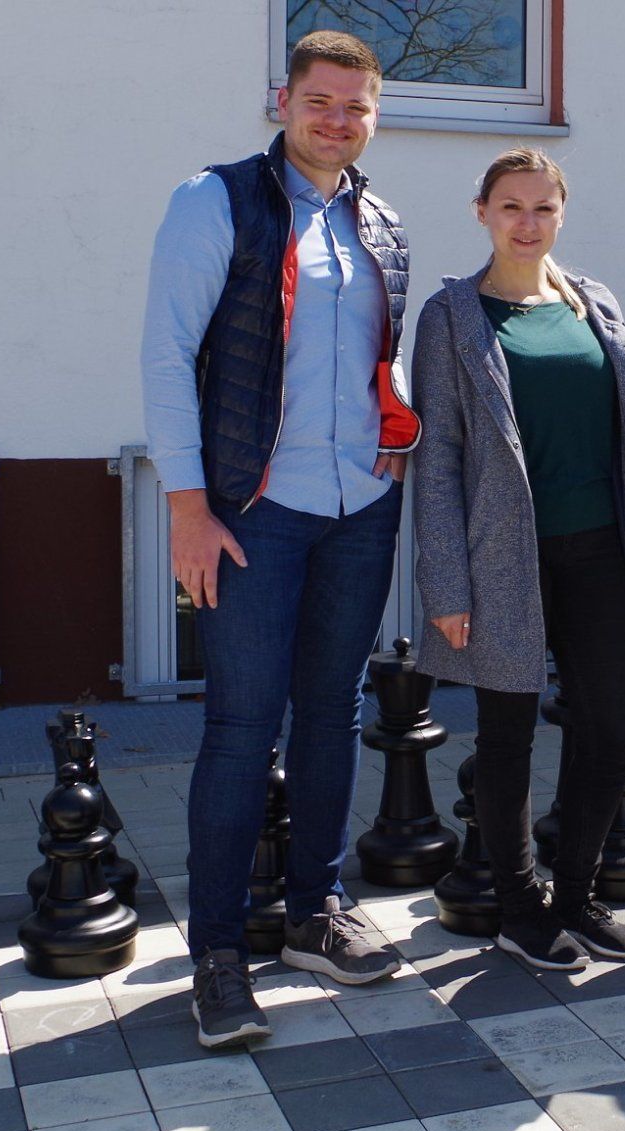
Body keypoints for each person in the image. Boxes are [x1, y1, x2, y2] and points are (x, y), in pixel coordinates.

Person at [141, 30, 411, 1048]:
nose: (338, 120)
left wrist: (397, 443)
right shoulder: (214, 201)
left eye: (357, 105)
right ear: (284, 100)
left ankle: (314, 913)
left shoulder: (380, 221)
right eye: (321, 101)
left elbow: (375, 357)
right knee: (242, 727)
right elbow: (167, 357)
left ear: (374, 115)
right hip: (252, 511)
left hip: (359, 509)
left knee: (333, 714)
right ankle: (217, 953)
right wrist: (187, 505)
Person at [411, 149, 625, 971]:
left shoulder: (596, 303)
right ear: (481, 212)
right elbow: (438, 458)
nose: (527, 223)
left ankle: (576, 896)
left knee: (608, 729)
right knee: (507, 738)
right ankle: (519, 909)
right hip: (505, 556)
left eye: (543, 207)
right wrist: (446, 581)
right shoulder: (452, 316)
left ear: (562, 212)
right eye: (511, 207)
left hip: (602, 549)